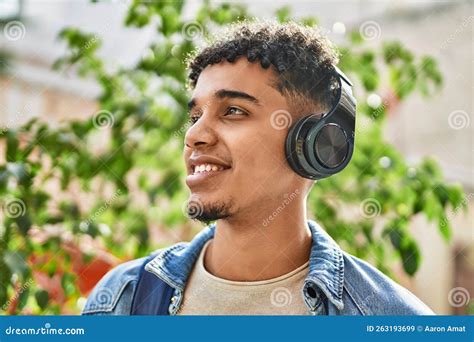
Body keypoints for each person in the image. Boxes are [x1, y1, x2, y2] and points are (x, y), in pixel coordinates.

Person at [82, 21, 433, 316]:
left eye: (233, 111)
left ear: (316, 144)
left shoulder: (390, 318)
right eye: (194, 116)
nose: (194, 135)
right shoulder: (122, 299)